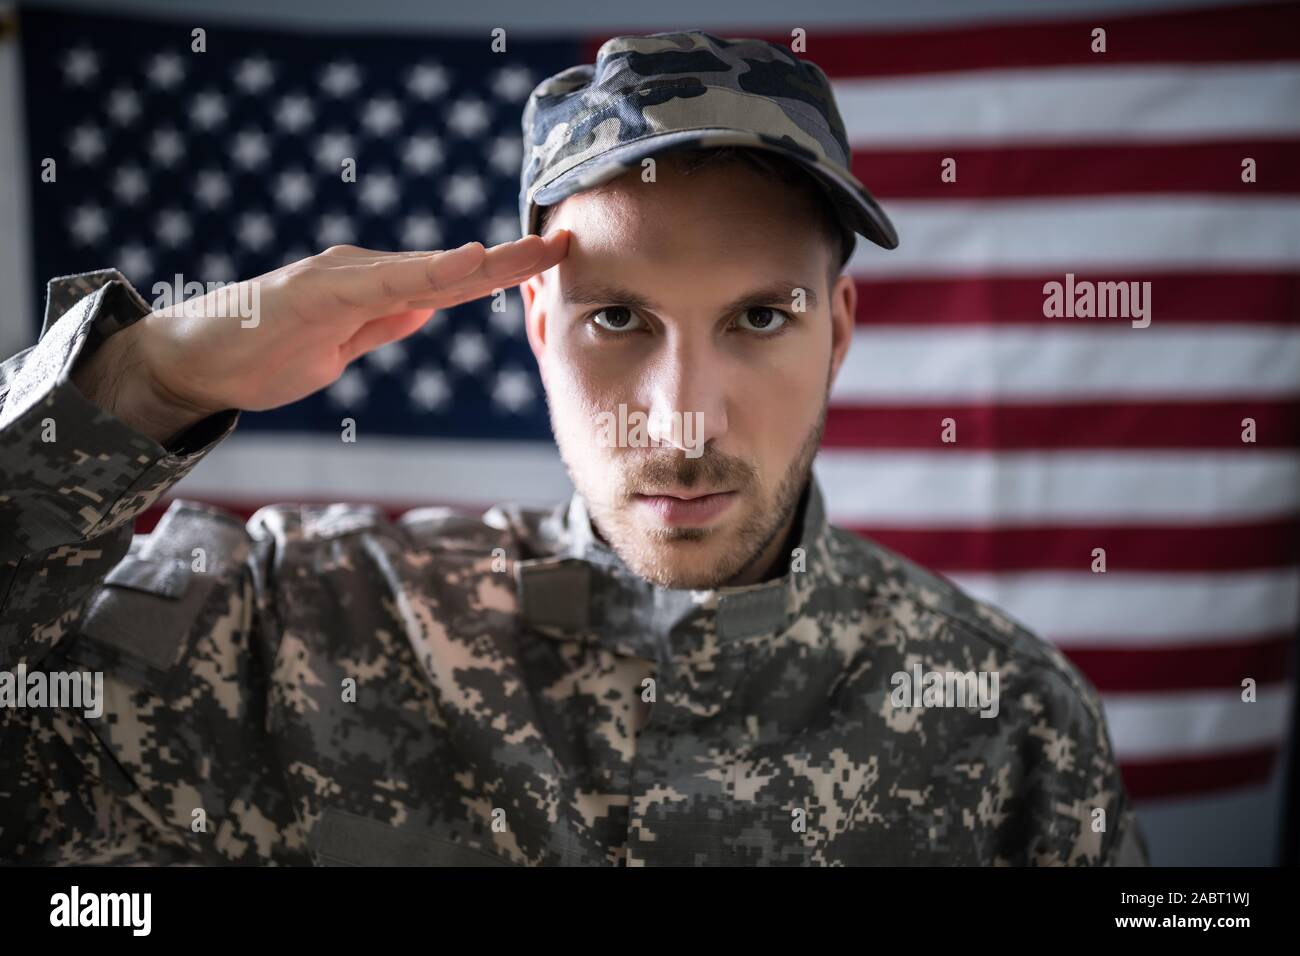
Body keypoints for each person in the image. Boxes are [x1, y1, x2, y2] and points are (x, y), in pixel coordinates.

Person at [0, 30, 1148, 865]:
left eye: (758, 318)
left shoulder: (1011, 726)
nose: (684, 415)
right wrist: (138, 380)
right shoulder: (289, 631)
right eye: (618, 319)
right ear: (539, 327)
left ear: (836, 333)